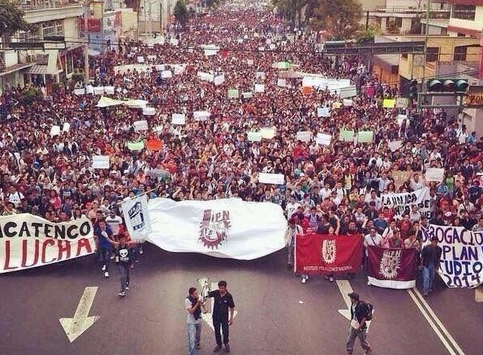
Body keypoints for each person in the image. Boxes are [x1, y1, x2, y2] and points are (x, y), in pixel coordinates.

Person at [207, 281, 235, 353]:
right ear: (218, 288)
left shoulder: (229, 296)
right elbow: (207, 295)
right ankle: (219, 344)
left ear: (225, 288)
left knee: (225, 331)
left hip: (224, 317)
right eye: (220, 288)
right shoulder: (216, 293)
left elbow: (232, 307)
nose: (221, 290)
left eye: (223, 288)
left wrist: (231, 318)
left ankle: (226, 343)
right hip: (216, 316)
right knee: (217, 331)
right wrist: (206, 289)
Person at [108, 233, 138, 297]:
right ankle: (122, 290)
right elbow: (111, 241)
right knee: (122, 276)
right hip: (121, 264)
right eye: (121, 240)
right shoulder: (117, 245)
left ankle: (127, 284)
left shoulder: (128, 244)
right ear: (119, 240)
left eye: (124, 239)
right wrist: (106, 237)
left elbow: (136, 241)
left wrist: (142, 237)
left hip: (128, 263)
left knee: (128, 275)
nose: (123, 241)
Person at [186, 287, 207, 355]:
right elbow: (191, 311)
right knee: (191, 339)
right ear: (191, 294)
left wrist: (205, 309)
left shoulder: (199, 297)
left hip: (198, 319)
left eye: (197, 293)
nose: (197, 294)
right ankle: (191, 353)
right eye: (195, 293)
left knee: (198, 335)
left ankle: (197, 343)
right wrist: (197, 303)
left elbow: (203, 304)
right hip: (191, 321)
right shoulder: (187, 300)